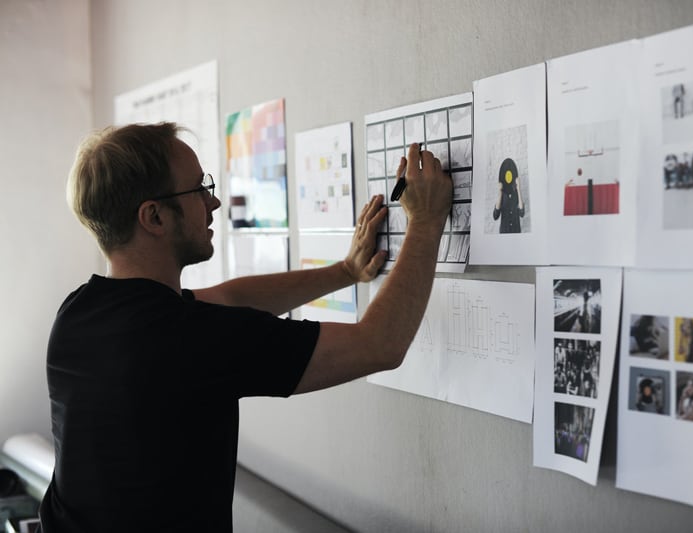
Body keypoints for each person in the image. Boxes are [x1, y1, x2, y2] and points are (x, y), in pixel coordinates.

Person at [39, 123, 453, 532]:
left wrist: (346, 271)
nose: (213, 203)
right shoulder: (189, 339)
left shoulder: (80, 314)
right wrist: (427, 222)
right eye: (198, 189)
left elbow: (228, 299)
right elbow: (379, 344)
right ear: (154, 217)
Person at [492, 157, 525, 233]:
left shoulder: (516, 193)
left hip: (516, 231)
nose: (508, 177)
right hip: (504, 232)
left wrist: (519, 188)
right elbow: (495, 216)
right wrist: (500, 191)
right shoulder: (502, 193)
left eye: (510, 175)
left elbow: (522, 213)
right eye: (507, 175)